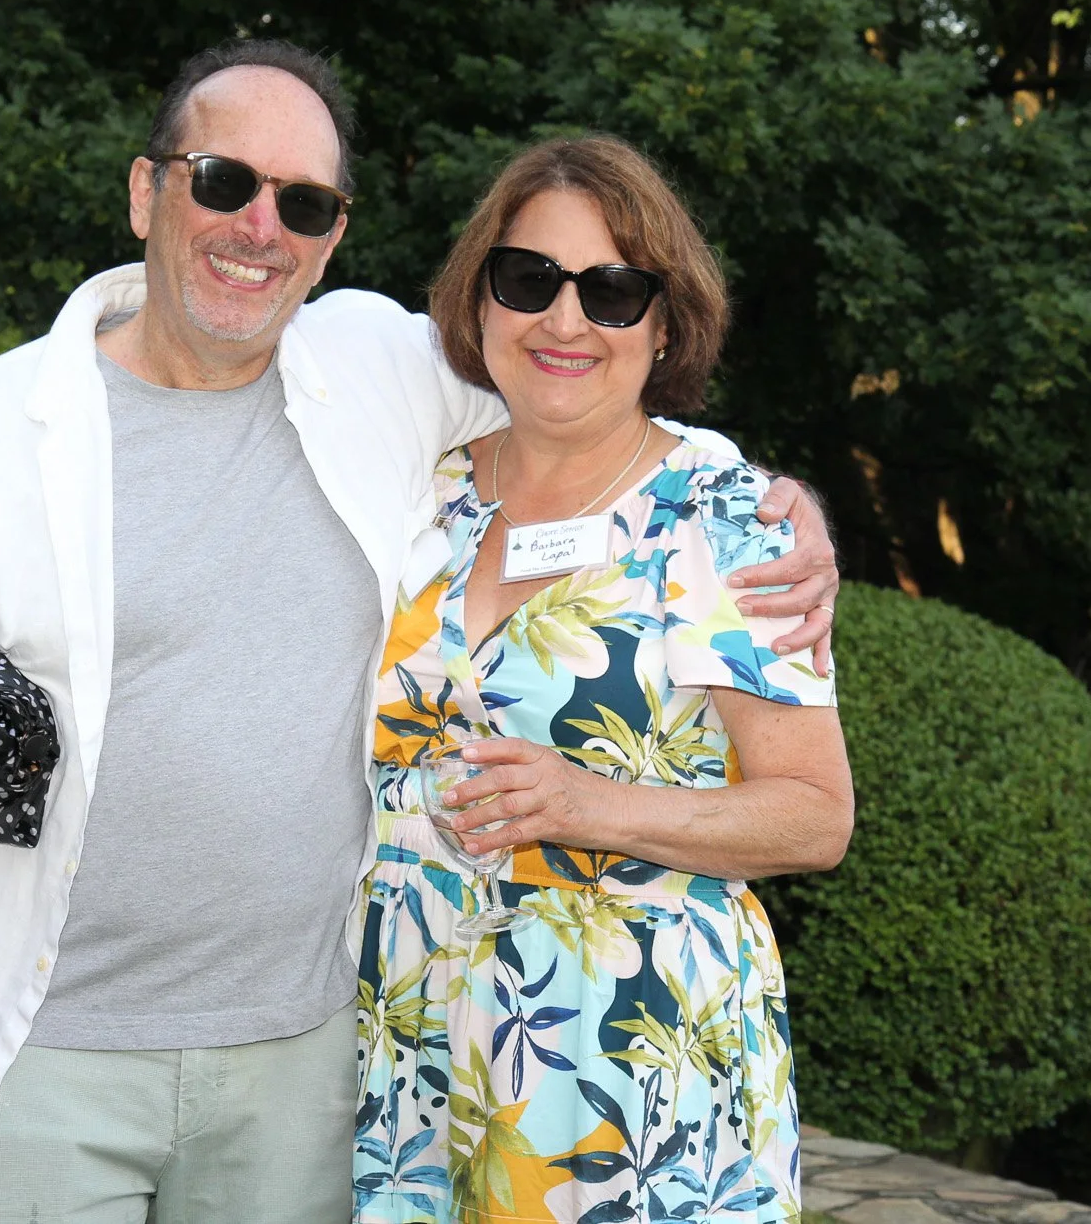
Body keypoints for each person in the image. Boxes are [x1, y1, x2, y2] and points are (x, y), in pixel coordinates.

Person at [0, 39, 840, 1224]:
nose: (258, 226)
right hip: (45, 1061)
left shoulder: (374, 368)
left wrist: (773, 504)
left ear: (333, 236)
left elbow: (597, 412)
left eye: (305, 203)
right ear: (146, 190)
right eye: (223, 181)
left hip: (324, 1071)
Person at [355, 137, 853, 1223]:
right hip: (409, 1038)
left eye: (612, 291)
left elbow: (815, 817)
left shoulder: (722, 516)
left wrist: (588, 804)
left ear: (664, 323)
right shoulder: (417, 491)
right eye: (528, 279)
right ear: (478, 298)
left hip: (625, 1062)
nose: (564, 321)